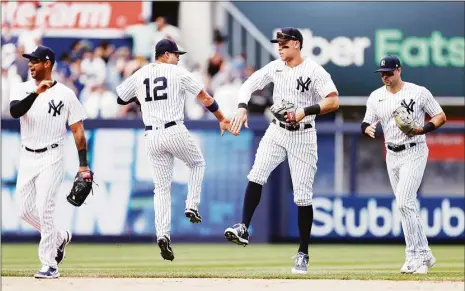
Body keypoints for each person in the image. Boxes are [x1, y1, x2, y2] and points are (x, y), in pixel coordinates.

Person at [223, 28, 340, 274]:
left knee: (302, 196)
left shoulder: (314, 71)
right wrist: (242, 107)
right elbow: (248, 84)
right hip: (276, 130)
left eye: (285, 43)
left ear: (297, 44)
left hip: (304, 133)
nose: (280, 47)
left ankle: (303, 253)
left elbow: (333, 101)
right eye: (278, 43)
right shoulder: (275, 67)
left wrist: (303, 111)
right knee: (256, 175)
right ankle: (244, 227)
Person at [115, 39, 232, 261]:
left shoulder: (141, 73)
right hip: (173, 129)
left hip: (151, 135)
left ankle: (162, 235)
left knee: (161, 189)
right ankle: (192, 205)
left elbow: (121, 98)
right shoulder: (178, 72)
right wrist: (221, 118)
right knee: (197, 163)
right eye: (176, 54)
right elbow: (205, 97)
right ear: (166, 54)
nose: (179, 58)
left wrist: (142, 98)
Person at [9, 45, 90, 279]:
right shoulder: (22, 87)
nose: (31, 64)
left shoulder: (65, 94)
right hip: (27, 155)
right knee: (23, 210)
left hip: (53, 155)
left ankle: (50, 263)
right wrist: (35, 93)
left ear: (48, 63)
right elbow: (15, 111)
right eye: (29, 61)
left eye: (35, 60)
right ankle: (59, 237)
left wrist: (83, 164)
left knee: (45, 207)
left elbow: (78, 131)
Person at [361, 55, 446, 274]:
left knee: (405, 203)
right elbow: (367, 121)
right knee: (405, 204)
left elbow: (440, 116)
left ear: (399, 70)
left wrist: (422, 129)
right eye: (382, 74)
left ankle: (413, 257)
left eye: (389, 73)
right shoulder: (376, 96)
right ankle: (425, 254)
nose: (385, 77)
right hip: (392, 153)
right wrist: (366, 128)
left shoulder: (418, 92)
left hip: (414, 149)